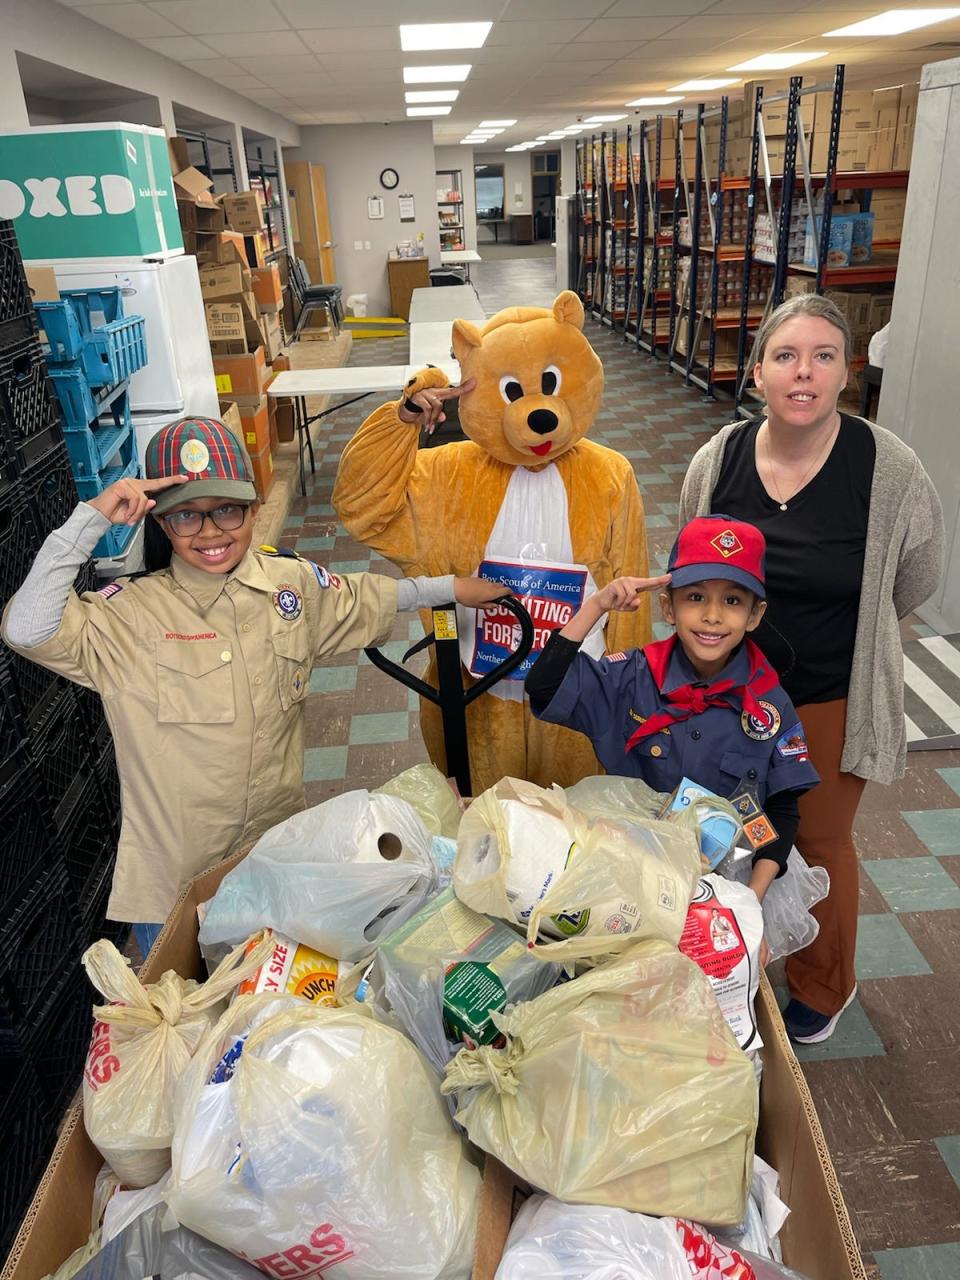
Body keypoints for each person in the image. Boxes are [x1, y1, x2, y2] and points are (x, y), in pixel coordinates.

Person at [2, 417, 508, 958]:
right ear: (162, 524)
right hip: (174, 893)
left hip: (273, 871)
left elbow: (366, 596)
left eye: (227, 510)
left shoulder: (286, 587)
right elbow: (25, 628)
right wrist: (92, 519)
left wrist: (450, 589)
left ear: (253, 508)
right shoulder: (130, 616)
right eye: (187, 516)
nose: (212, 532)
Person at [679, 293, 944, 1044]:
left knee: (818, 840)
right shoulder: (718, 460)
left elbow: (918, 574)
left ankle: (824, 984)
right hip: (725, 691)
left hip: (830, 696)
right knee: (722, 828)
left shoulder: (886, 467)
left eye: (824, 356)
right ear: (758, 372)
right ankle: (729, 956)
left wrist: (857, 631)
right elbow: (692, 559)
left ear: (846, 372)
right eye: (787, 357)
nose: (805, 373)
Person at [526, 515, 819, 905]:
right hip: (634, 876)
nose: (712, 616)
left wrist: (750, 904)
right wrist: (597, 605)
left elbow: (781, 811)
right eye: (695, 597)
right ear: (668, 607)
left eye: (732, 600)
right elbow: (544, 687)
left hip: (729, 884)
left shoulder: (769, 705)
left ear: (754, 615)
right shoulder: (632, 677)